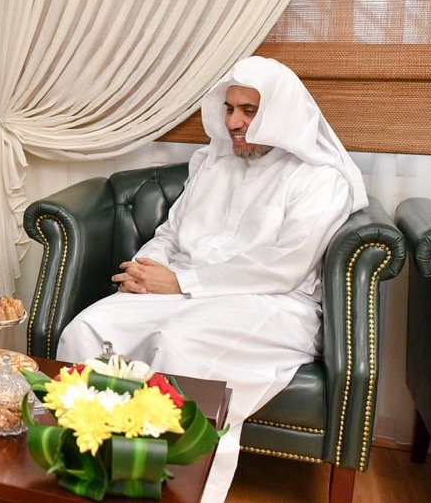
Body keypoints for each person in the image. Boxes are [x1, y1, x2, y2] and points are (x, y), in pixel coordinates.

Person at [56, 56, 367, 503]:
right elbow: (170, 233)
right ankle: (85, 474)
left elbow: (284, 267)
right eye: (229, 109)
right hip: (181, 288)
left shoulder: (319, 178)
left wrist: (180, 283)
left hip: (272, 304)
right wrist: (146, 270)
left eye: (249, 111)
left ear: (279, 114)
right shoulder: (211, 163)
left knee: (178, 343)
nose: (234, 122)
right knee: (87, 328)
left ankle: (161, 488)